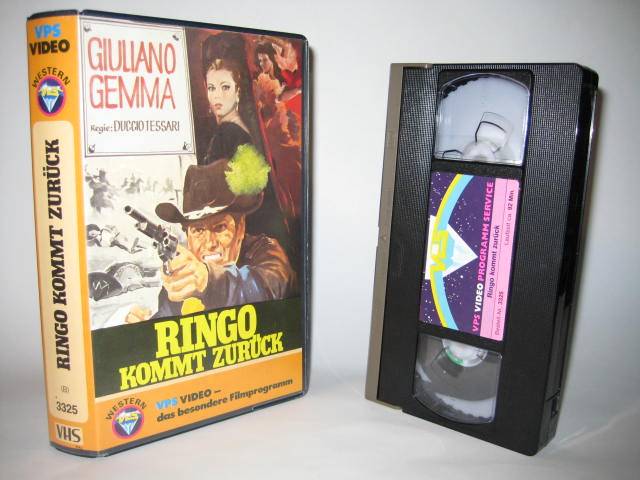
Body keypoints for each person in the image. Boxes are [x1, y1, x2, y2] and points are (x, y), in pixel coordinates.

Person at [125, 159, 295, 323]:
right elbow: (168, 321)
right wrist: (145, 324)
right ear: (188, 237)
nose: (209, 243)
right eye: (198, 230)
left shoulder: (267, 253)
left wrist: (208, 280)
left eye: (220, 227)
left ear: (241, 228)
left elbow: (267, 289)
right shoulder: (185, 275)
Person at [201, 33, 258, 165]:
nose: (217, 95)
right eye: (211, 88)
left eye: (225, 87)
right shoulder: (241, 129)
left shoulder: (228, 131)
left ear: (238, 91)